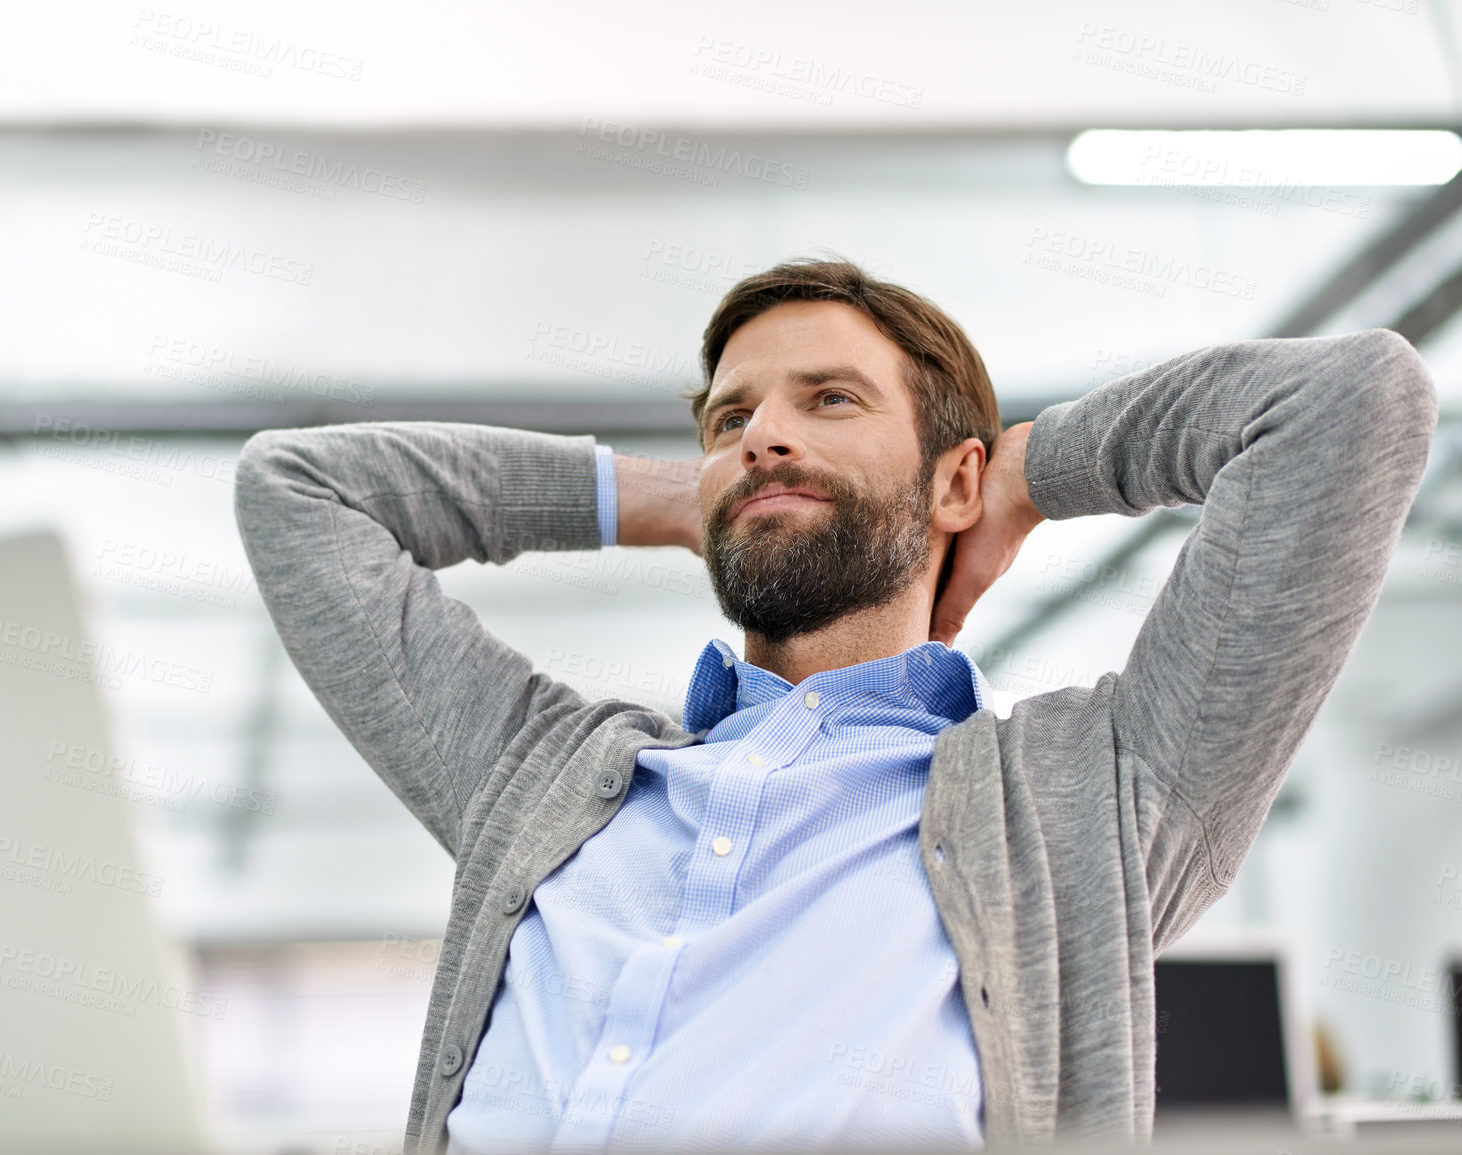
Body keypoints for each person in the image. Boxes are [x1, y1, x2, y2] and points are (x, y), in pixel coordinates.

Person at [234, 258, 1436, 1152]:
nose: (763, 434)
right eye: (731, 416)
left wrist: (1026, 473)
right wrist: (675, 495)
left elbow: (1352, 406)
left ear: (952, 476)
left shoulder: (1090, 803)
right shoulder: (542, 778)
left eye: (831, 402)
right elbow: (298, 491)